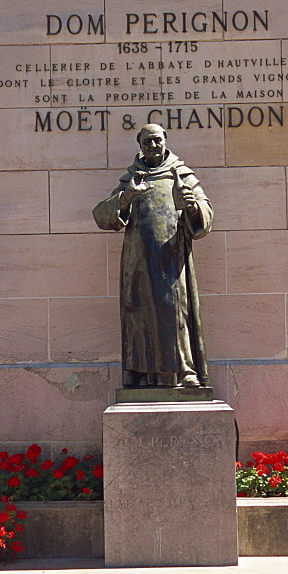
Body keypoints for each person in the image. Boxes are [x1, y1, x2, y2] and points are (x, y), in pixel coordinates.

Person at [93, 124, 213, 388]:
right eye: (146, 141)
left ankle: (184, 372)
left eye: (156, 140)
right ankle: (139, 373)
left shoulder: (180, 174)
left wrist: (191, 204)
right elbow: (101, 216)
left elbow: (206, 214)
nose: (152, 146)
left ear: (165, 141)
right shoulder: (132, 179)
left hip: (171, 258)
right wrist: (126, 198)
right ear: (140, 144)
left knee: (173, 312)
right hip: (137, 262)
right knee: (139, 316)